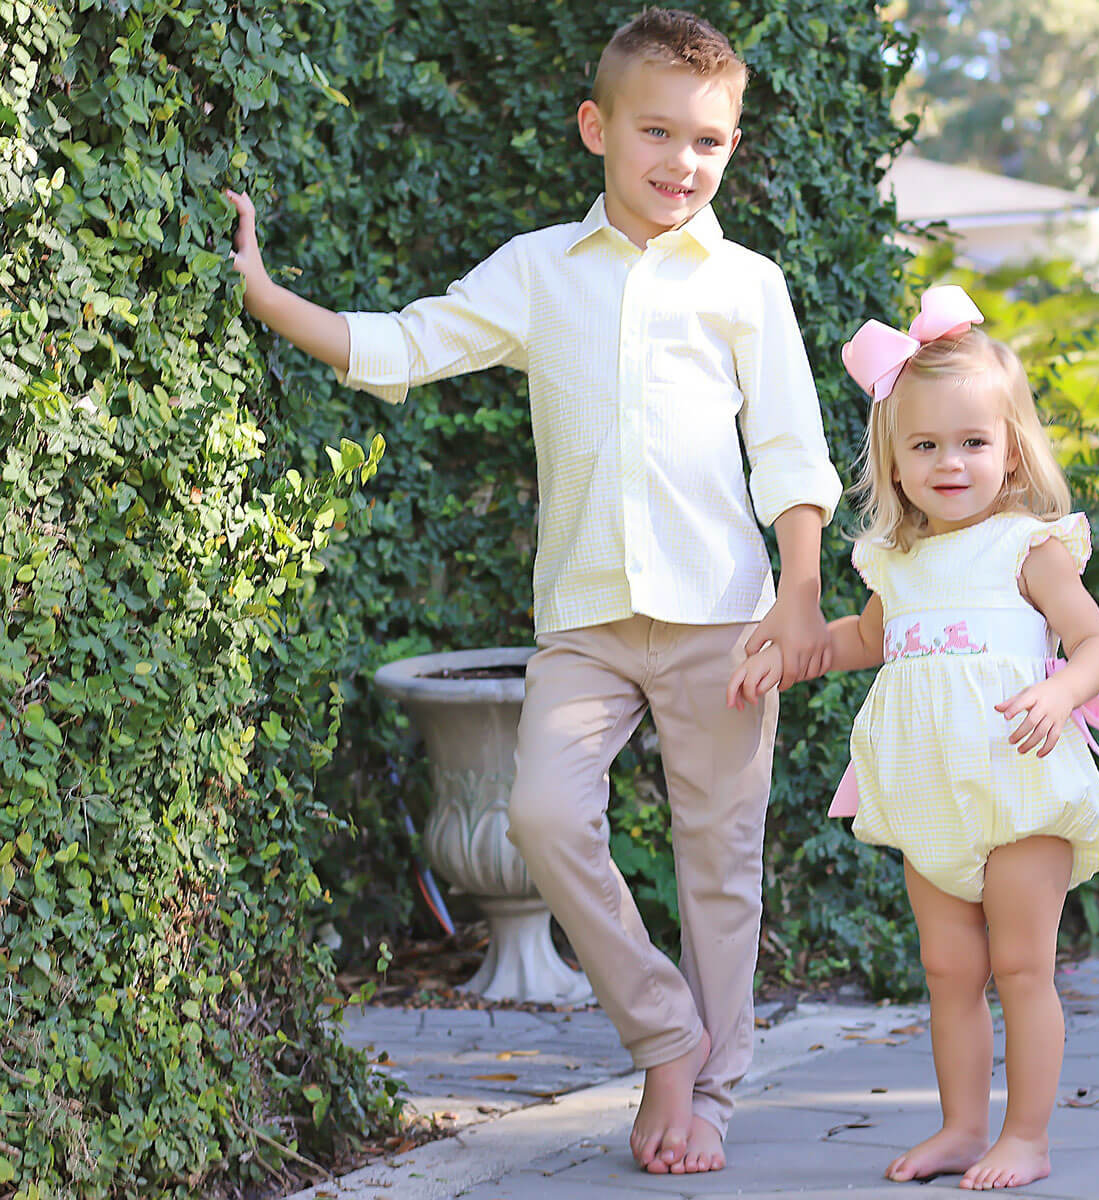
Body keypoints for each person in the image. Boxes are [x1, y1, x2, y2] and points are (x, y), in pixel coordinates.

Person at [225, 7, 842, 1176]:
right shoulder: (538, 272)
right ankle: (666, 1033)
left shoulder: (748, 285)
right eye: (657, 132)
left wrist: (799, 591)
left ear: (733, 145)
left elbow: (793, 450)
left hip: (725, 618)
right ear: (594, 127)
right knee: (545, 818)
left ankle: (707, 1096)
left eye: (710, 141)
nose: (683, 162)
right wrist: (263, 293)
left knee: (723, 863)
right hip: (587, 625)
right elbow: (407, 346)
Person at [728, 286, 1099, 1191]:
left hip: (1019, 782)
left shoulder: (1031, 546)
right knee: (949, 969)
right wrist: (787, 656)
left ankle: (1027, 1136)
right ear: (896, 462)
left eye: (974, 443)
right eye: (927, 445)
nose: (951, 463)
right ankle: (958, 1127)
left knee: (1021, 965)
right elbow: (858, 642)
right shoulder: (895, 564)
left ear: (1012, 451)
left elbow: (1096, 642)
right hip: (927, 794)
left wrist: (1061, 690)